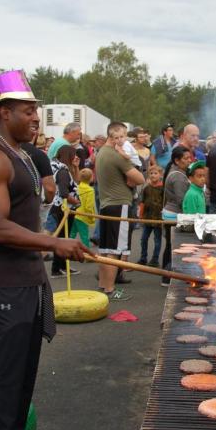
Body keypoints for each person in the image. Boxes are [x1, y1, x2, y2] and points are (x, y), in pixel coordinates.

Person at [0, 70, 89, 430]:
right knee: (2, 382)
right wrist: (54, 242)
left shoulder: (20, 154)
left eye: (36, 110)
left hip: (25, 282)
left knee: (20, 381)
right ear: (4, 113)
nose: (35, 117)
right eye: (27, 110)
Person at [95, 122, 146, 299]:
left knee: (105, 248)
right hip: (119, 204)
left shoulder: (102, 152)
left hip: (106, 203)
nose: (123, 140)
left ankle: (103, 285)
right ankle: (110, 289)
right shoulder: (117, 156)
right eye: (121, 136)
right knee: (115, 250)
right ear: (112, 136)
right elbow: (139, 179)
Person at [160, 146, 194, 286]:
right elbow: (182, 200)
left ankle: (167, 276)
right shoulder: (178, 177)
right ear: (177, 160)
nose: (189, 161)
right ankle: (167, 277)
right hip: (174, 214)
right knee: (173, 247)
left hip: (172, 213)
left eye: (189, 157)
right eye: (185, 159)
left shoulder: (179, 172)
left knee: (171, 246)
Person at [49, 145, 81, 279]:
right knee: (62, 238)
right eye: (74, 154)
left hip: (66, 209)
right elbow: (64, 192)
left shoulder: (66, 169)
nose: (76, 157)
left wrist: (76, 167)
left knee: (65, 237)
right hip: (63, 209)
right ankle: (56, 268)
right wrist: (76, 202)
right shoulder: (62, 171)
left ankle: (63, 265)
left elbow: (77, 181)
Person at [137, 165, 165, 267]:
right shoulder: (146, 188)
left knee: (157, 240)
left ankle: (155, 259)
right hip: (148, 217)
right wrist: (140, 215)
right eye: (151, 173)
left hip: (158, 218)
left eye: (155, 173)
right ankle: (143, 257)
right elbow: (142, 202)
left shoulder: (163, 189)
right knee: (143, 239)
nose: (153, 175)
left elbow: (165, 203)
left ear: (160, 175)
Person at [71, 168, 96, 247]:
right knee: (84, 236)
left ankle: (67, 251)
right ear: (91, 178)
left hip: (74, 213)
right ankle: (87, 253)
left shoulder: (77, 187)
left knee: (71, 234)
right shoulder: (90, 190)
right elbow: (89, 206)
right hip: (83, 216)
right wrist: (91, 217)